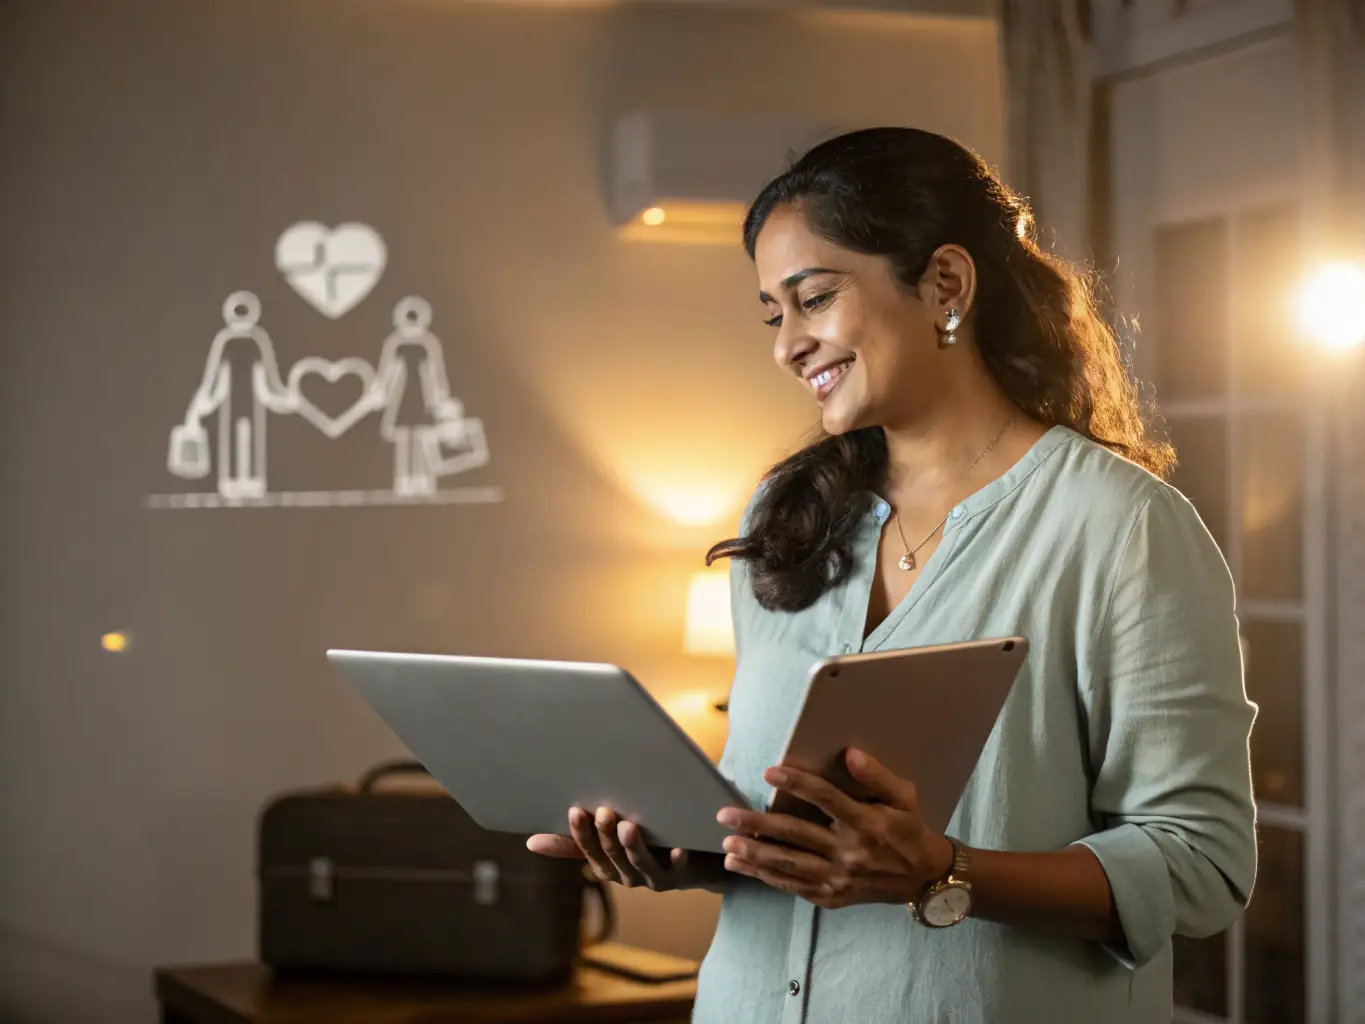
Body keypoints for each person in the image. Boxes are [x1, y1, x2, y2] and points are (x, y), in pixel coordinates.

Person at [528, 127, 1257, 1023]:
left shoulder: (1120, 526)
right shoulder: (783, 517)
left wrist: (943, 872)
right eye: (773, 315)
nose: (787, 345)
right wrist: (685, 851)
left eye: (813, 299)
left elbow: (1201, 864)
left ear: (945, 283)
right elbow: (775, 815)